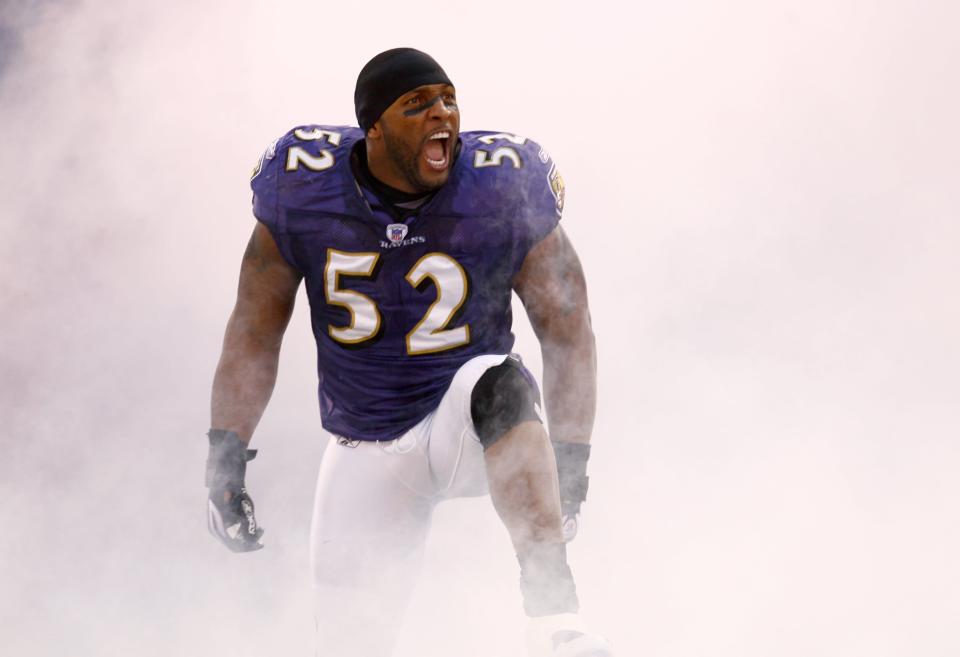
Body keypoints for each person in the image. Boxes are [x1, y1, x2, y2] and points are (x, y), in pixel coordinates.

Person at [204, 47, 611, 657]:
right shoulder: (304, 185)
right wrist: (225, 457)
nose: (440, 113)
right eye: (415, 104)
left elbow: (566, 322)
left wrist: (572, 458)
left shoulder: (501, 181)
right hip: (366, 444)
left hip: (468, 428)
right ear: (373, 128)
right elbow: (255, 328)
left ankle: (553, 613)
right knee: (349, 643)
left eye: (448, 99)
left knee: (496, 380)